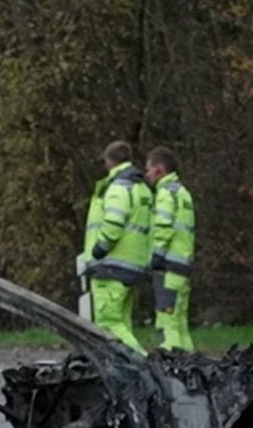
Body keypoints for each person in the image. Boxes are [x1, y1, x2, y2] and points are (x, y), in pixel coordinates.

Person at [82, 140, 152, 353]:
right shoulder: (141, 189)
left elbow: (113, 223)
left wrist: (99, 249)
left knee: (108, 323)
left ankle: (145, 366)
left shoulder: (117, 188)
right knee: (122, 323)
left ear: (108, 162)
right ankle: (129, 376)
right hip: (132, 264)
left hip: (110, 265)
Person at [146, 146, 196, 352]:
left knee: (168, 323)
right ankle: (191, 362)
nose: (147, 174)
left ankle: (172, 363)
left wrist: (157, 255)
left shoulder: (165, 193)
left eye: (148, 170)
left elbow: (164, 227)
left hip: (169, 267)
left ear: (159, 170)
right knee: (180, 322)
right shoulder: (183, 193)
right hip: (183, 265)